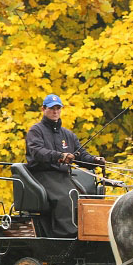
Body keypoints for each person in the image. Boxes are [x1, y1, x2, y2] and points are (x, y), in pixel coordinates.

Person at [25, 94, 105, 237]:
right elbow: (37, 152)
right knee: (66, 198)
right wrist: (60, 156)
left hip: (64, 176)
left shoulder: (68, 134)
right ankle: (66, 236)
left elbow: (81, 155)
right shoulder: (36, 131)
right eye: (51, 108)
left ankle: (90, 232)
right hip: (43, 175)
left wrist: (94, 160)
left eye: (58, 108)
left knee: (85, 198)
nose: (55, 112)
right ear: (43, 109)